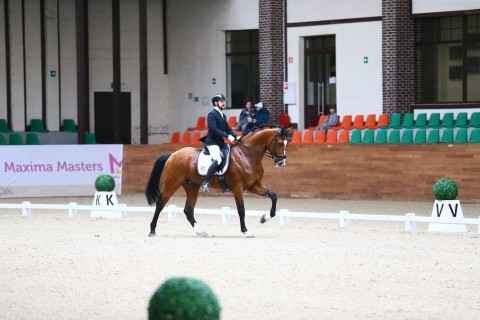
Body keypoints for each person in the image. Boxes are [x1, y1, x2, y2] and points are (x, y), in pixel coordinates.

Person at [201, 93, 240, 192]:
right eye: (222, 101)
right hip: (212, 142)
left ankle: (226, 182)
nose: (224, 103)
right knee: (218, 159)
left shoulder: (223, 115)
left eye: (224, 101)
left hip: (221, 143)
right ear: (216, 102)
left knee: (230, 156)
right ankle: (206, 182)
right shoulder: (212, 114)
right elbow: (213, 130)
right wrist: (227, 136)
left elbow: (228, 129)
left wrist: (236, 136)